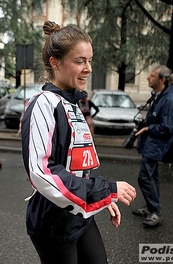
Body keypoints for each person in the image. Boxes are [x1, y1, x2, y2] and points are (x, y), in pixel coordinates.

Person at [21, 21, 137, 263]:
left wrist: (102, 200)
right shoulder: (44, 104)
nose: (88, 69)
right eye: (80, 61)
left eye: (90, 61)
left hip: (80, 215)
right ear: (55, 62)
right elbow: (44, 173)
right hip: (53, 224)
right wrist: (107, 189)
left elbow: (79, 170)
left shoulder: (72, 103)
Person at [132, 65, 173, 227]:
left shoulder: (169, 100)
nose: (148, 78)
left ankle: (156, 212)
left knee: (145, 177)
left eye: (152, 76)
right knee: (152, 176)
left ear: (162, 80)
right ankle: (150, 207)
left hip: (156, 144)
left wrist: (148, 128)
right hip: (151, 143)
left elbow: (168, 127)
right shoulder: (160, 96)